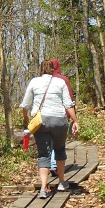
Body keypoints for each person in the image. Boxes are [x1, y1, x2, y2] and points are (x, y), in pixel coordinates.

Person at [21, 59, 79, 199]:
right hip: (59, 120)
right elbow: (68, 104)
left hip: (41, 121)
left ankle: (43, 188)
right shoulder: (60, 82)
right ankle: (61, 182)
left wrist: (25, 118)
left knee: (43, 154)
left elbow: (26, 104)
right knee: (59, 150)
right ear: (53, 69)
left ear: (41, 70)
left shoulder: (34, 82)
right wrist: (75, 121)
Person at [48, 58, 74, 172]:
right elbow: (70, 98)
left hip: (46, 115)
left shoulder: (44, 80)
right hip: (61, 114)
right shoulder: (63, 80)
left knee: (50, 140)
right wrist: (73, 116)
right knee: (59, 141)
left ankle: (52, 164)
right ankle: (54, 164)